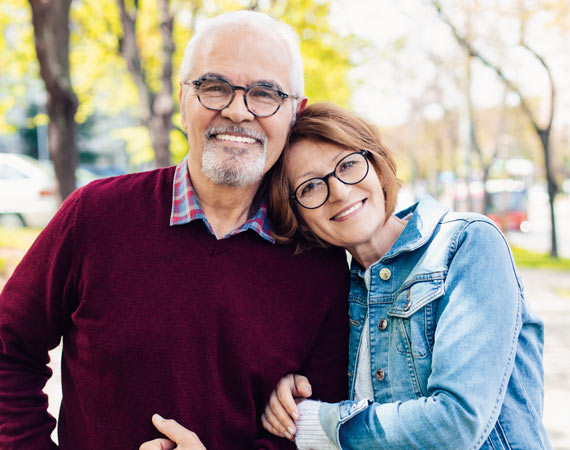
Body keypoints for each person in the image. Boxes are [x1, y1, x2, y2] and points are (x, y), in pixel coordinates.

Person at [0, 13, 352, 450]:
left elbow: (315, 428)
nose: (237, 110)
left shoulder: (320, 263)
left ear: (293, 114)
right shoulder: (94, 216)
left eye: (266, 93)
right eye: (214, 87)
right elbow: (7, 347)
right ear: (183, 99)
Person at [260, 102, 552, 449]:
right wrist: (291, 397)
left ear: (377, 163)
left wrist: (316, 422)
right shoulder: (338, 294)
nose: (338, 191)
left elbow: (457, 423)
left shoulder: (466, 243)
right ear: (297, 215)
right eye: (310, 187)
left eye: (349, 164)